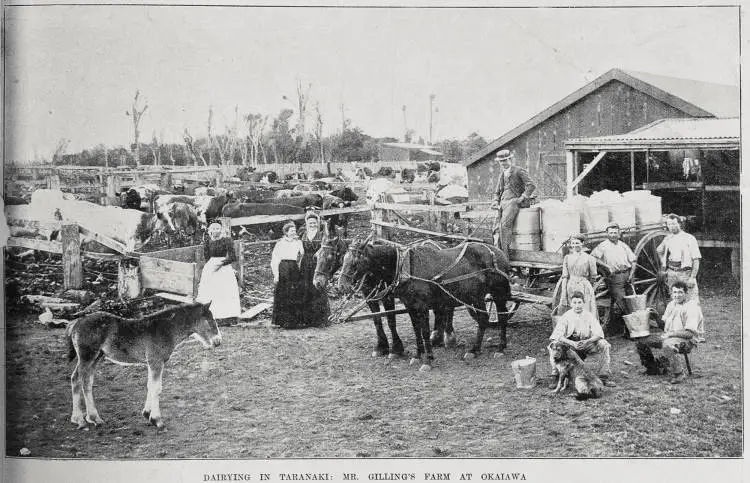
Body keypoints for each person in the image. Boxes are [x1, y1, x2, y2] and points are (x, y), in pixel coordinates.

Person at [635, 281, 703, 384]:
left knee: (667, 344)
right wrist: (656, 316)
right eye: (674, 292)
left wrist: (670, 334)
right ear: (671, 294)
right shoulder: (671, 304)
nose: (677, 295)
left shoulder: (692, 307)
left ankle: (679, 374)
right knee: (641, 341)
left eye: (680, 292)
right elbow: (664, 326)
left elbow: (689, 333)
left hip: (687, 340)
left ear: (686, 293)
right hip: (670, 335)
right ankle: (653, 368)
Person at [547, 291, 616, 389]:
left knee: (604, 344)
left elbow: (599, 334)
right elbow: (558, 335)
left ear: (583, 303)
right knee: (553, 345)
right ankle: (555, 375)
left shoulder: (589, 315)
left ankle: (603, 376)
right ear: (571, 304)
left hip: (586, 343)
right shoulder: (566, 316)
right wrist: (572, 343)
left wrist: (588, 341)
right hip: (570, 346)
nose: (577, 305)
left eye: (579, 302)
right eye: (574, 303)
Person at [590, 223, 636, 332]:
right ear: (607, 234)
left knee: (632, 301)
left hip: (627, 275)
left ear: (619, 234)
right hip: (614, 277)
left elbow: (633, 260)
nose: (613, 235)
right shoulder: (603, 246)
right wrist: (606, 266)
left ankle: (633, 326)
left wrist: (631, 274)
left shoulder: (623, 245)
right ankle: (631, 330)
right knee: (622, 302)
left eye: (615, 233)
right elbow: (593, 257)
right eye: (611, 233)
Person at [196, 222, 241, 325]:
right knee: (210, 290)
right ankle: (211, 316)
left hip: (224, 268)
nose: (216, 230)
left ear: (221, 230)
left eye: (218, 228)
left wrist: (222, 264)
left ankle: (227, 317)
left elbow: (233, 257)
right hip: (211, 268)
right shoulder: (207, 241)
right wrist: (210, 268)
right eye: (213, 228)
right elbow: (207, 257)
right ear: (210, 230)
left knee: (225, 291)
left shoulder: (227, 240)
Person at [491, 149, 536, 252]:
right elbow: (497, 192)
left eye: (505, 160)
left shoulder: (518, 171)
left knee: (505, 226)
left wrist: (523, 197)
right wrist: (495, 201)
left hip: (514, 202)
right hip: (503, 203)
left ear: (510, 159)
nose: (503, 163)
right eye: (501, 161)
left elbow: (531, 185)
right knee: (496, 228)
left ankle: (504, 254)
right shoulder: (502, 175)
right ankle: (497, 251)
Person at [297, 211, 331, 327]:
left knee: (318, 289)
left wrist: (319, 252)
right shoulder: (303, 234)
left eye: (314, 223)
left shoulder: (322, 235)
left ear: (318, 223)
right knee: (306, 288)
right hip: (306, 264)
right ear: (306, 224)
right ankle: (306, 319)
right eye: (310, 223)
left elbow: (326, 248)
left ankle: (320, 320)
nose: (312, 225)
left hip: (318, 263)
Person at [270, 221, 304, 329]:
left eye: (295, 231)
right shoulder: (280, 243)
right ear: (286, 232)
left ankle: (295, 321)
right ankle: (283, 321)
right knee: (284, 293)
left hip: (294, 267)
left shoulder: (298, 242)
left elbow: (302, 255)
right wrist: (276, 274)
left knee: (295, 292)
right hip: (284, 267)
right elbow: (275, 259)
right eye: (291, 231)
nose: (294, 232)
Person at [560, 234, 598, 317]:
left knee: (585, 310)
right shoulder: (567, 258)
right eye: (573, 243)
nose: (574, 245)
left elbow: (593, 276)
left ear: (582, 243)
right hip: (571, 286)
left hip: (584, 286)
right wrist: (563, 295)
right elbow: (565, 277)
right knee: (572, 310)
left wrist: (587, 285)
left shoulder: (590, 258)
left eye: (577, 243)